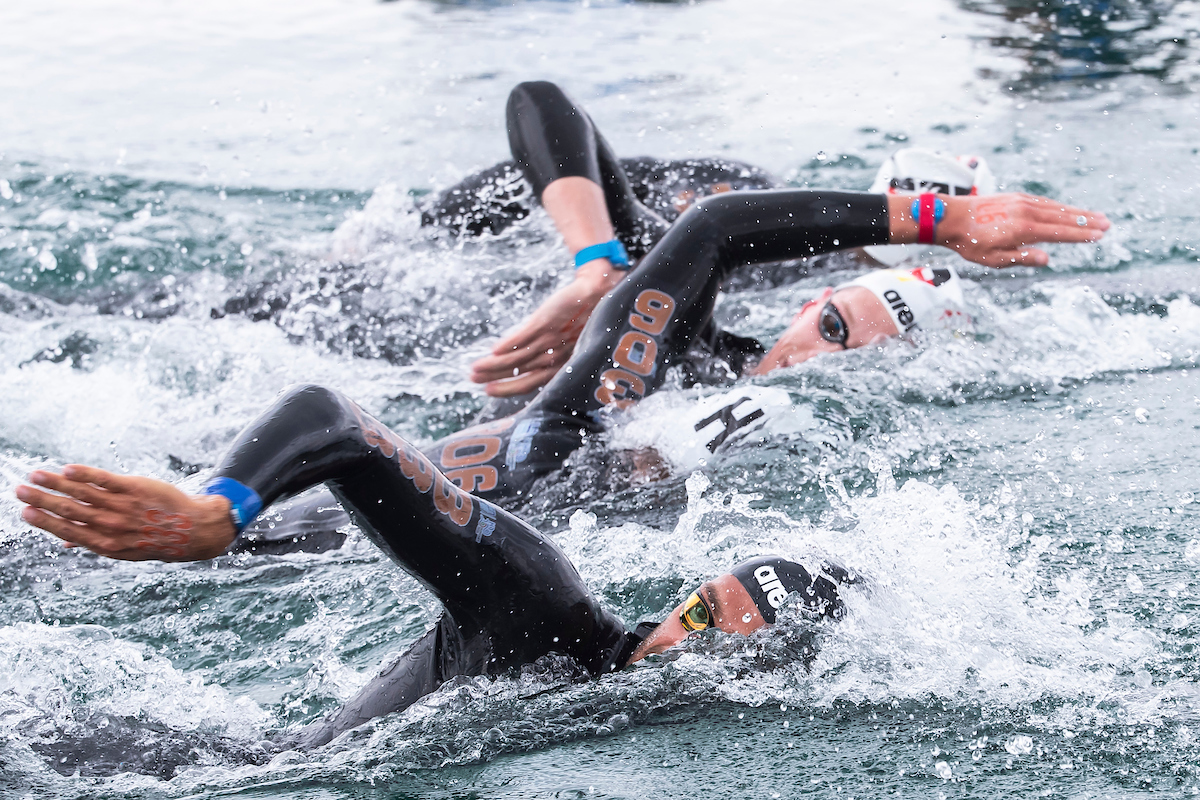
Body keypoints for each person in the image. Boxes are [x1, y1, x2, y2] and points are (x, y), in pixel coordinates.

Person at [14, 384, 852, 749]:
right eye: (700, 612)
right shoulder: (544, 608)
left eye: (725, 644)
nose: (684, 645)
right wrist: (219, 510)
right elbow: (335, 419)